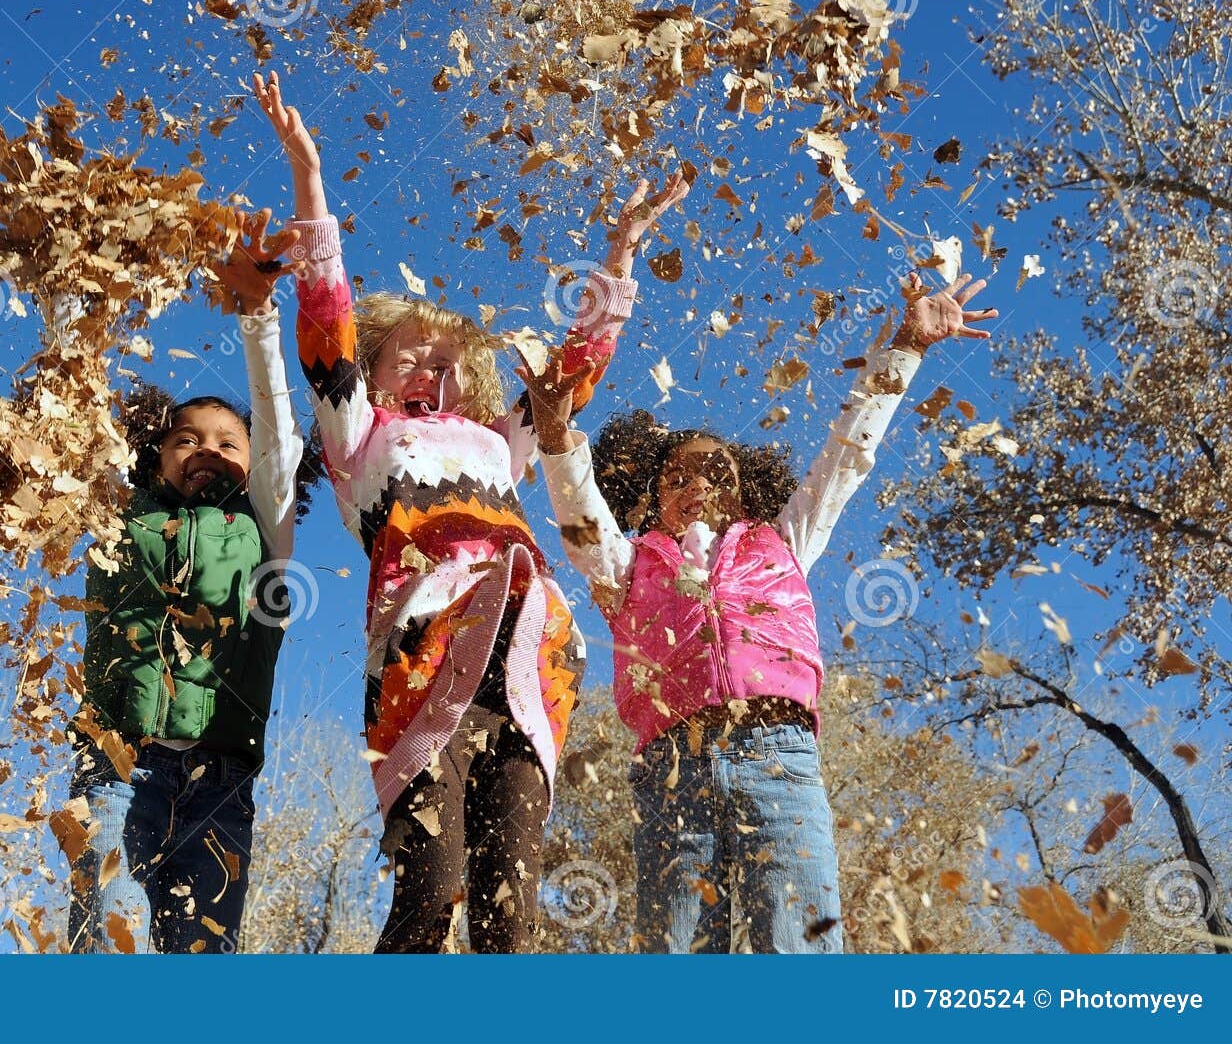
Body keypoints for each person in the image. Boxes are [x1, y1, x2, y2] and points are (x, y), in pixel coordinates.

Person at [251, 68, 690, 951]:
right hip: (422, 656)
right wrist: (309, 180)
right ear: (374, 368)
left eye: (446, 358)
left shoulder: (499, 443)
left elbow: (570, 377)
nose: (428, 370)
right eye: (409, 353)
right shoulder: (359, 434)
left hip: (530, 659)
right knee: (434, 888)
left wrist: (617, 260)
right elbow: (327, 324)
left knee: (510, 910)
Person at [521, 238, 999, 952]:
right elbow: (580, 514)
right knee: (678, 949)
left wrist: (904, 347)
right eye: (676, 476)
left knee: (798, 940)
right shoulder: (629, 566)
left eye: (715, 473)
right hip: (672, 764)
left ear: (745, 488)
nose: (696, 485)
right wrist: (557, 436)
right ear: (651, 501)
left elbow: (847, 455)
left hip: (779, 753)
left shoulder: (784, 539)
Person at [68, 209, 312, 953]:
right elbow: (69, 405)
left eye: (227, 442)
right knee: (105, 926)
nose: (206, 448)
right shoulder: (120, 515)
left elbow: (276, 428)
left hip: (221, 778)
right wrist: (69, 284)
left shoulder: (263, 529)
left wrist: (259, 316)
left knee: (201, 949)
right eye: (186, 439)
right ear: (156, 457)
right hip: (117, 762)